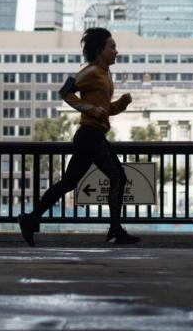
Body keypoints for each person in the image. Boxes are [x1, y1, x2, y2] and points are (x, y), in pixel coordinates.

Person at [17, 28, 140, 246]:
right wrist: (90, 110)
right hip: (90, 135)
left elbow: (104, 110)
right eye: (111, 47)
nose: (116, 51)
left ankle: (31, 218)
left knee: (68, 183)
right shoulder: (90, 71)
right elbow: (64, 91)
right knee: (118, 177)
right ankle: (115, 230)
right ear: (99, 50)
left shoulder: (105, 75)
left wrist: (121, 104)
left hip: (92, 134)